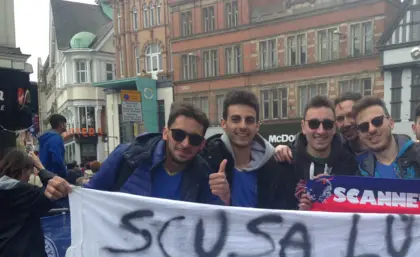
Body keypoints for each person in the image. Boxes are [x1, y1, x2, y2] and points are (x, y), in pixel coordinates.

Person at [86, 103, 228, 205]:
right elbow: (87, 198)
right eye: (178, 135)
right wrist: (64, 189)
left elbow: (214, 222)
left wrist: (224, 197)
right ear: (166, 133)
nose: (185, 144)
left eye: (194, 139)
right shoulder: (127, 157)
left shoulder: (203, 175)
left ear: (202, 144)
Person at [202, 90, 296, 209]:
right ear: (223, 123)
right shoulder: (207, 161)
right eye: (236, 119)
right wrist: (223, 200)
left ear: (257, 126)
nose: (243, 126)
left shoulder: (275, 167)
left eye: (249, 120)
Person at [351, 96, 420, 180]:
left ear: (391, 123)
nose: (371, 129)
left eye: (377, 121)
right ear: (359, 134)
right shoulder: (359, 170)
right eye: (363, 127)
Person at [273, 92, 364, 162]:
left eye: (351, 115)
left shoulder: (347, 161)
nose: (347, 123)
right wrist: (283, 149)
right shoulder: (344, 154)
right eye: (340, 118)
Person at [39, 114, 67, 178]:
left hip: (45, 174)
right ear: (61, 124)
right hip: (54, 176)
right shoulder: (56, 138)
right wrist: (64, 174)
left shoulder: (46, 139)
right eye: (65, 124)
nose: (66, 126)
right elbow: (57, 158)